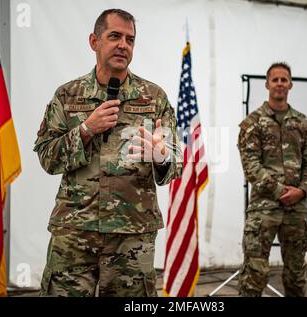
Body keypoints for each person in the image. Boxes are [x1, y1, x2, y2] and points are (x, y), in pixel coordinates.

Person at [34, 9, 182, 297]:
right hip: (75, 233)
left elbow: (174, 162)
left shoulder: (154, 98)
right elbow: (46, 157)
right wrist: (86, 130)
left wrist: (162, 157)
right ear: (94, 41)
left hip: (132, 236)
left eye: (130, 39)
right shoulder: (68, 96)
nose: (123, 45)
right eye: (114, 36)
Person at [237, 62, 307, 297]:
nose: (280, 84)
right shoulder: (252, 123)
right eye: (276, 80)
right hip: (264, 209)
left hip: (296, 209)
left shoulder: (303, 123)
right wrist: (280, 191)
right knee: (254, 275)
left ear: (290, 84)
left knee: (296, 276)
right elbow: (250, 165)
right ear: (267, 84)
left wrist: (301, 191)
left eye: (284, 80)